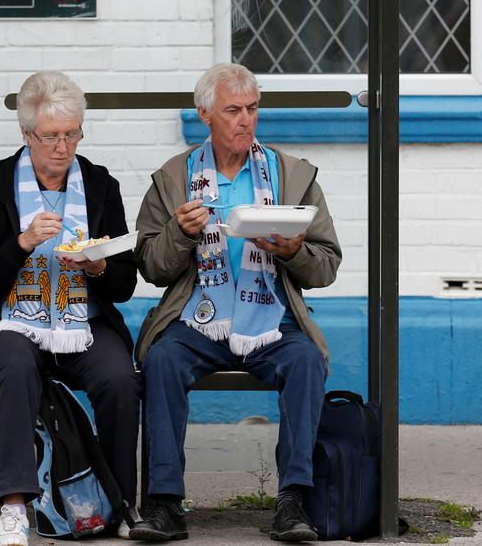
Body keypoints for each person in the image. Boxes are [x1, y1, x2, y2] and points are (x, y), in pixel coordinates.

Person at [130, 63, 342, 542]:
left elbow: (326, 265)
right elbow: (151, 267)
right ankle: (164, 503)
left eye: (252, 108)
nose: (246, 120)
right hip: (198, 318)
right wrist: (179, 234)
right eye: (233, 110)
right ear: (205, 114)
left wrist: (293, 251)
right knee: (162, 360)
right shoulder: (173, 178)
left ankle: (293, 501)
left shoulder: (291, 175)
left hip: (271, 319)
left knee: (306, 361)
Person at [0, 71, 139, 546]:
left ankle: (122, 503)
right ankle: (15, 506)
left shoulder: (99, 184)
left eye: (71, 134)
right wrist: (21, 243)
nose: (62, 147)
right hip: (8, 320)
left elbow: (124, 284)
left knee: (120, 378)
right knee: (16, 367)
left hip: (83, 322)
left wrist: (98, 265)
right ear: (27, 134)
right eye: (51, 136)